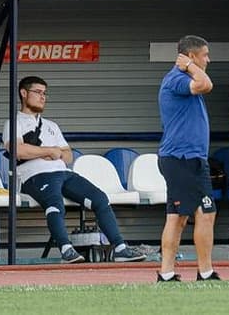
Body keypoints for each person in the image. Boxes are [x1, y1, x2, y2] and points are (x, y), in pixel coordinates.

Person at [13, 75, 150, 263]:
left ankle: (119, 248)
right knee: (55, 204)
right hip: (34, 176)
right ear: (23, 93)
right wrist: (49, 151)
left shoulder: (51, 126)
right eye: (38, 92)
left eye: (45, 93)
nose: (43, 97)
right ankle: (66, 249)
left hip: (63, 173)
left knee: (100, 198)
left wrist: (47, 153)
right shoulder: (14, 123)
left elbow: (68, 155)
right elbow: (18, 151)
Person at [156, 34, 219, 283]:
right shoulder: (177, 79)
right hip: (180, 158)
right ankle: (203, 272)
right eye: (204, 55)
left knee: (180, 216)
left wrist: (191, 67)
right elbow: (206, 85)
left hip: (189, 158)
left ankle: (168, 273)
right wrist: (190, 66)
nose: (208, 60)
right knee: (202, 212)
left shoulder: (186, 77)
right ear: (191, 56)